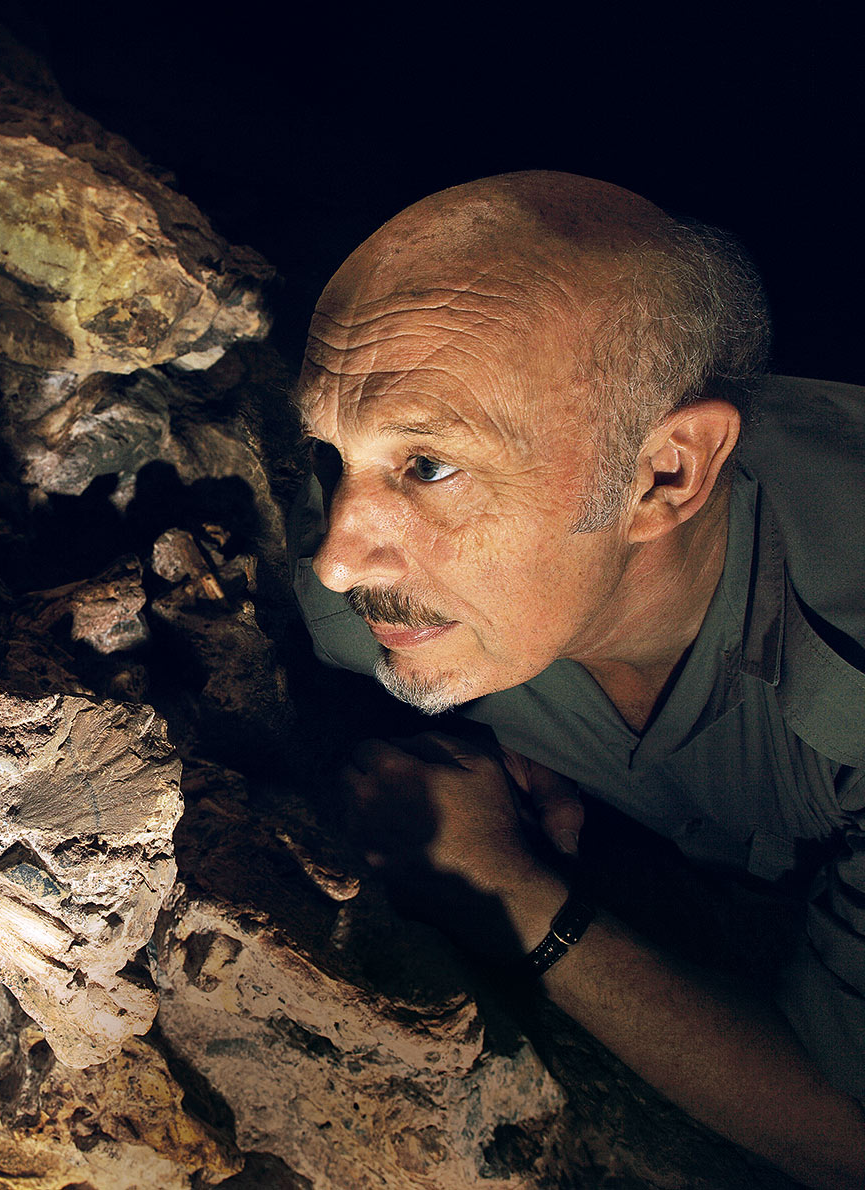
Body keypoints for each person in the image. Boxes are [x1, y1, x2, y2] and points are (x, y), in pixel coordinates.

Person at [288, 171, 865, 1189]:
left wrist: (512, 889)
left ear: (665, 473)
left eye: (430, 466)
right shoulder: (365, 607)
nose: (340, 560)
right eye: (337, 454)